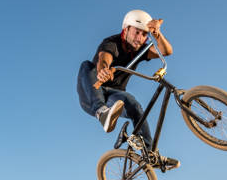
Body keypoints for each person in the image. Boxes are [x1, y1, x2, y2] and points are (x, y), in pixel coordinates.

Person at [77, 9, 179, 168]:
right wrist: (104, 70)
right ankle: (101, 113)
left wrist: (157, 34)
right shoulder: (112, 42)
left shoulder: (140, 49)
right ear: (126, 30)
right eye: (137, 32)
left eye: (144, 35)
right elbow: (104, 58)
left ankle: (150, 154)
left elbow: (166, 51)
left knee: (134, 105)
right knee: (86, 66)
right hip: (92, 92)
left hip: (113, 97)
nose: (140, 38)